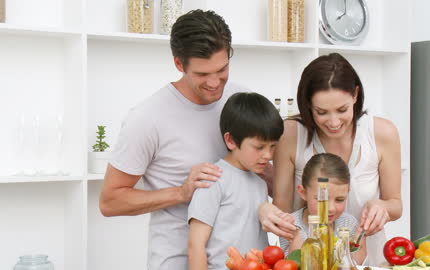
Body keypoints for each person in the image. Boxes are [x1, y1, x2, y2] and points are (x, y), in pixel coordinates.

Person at [98, 10, 298, 270]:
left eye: (222, 69)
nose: (215, 83)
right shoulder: (147, 118)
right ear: (179, 64)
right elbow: (110, 201)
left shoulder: (239, 98)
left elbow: (256, 173)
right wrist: (181, 192)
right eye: (203, 74)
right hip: (177, 261)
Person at [260, 53, 402, 265]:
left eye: (342, 110)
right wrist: (265, 209)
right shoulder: (290, 135)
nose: (334, 121)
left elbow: (396, 205)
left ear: (355, 95)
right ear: (308, 105)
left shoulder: (382, 133)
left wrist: (382, 207)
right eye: (322, 112)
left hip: (368, 261)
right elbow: (283, 210)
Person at [187, 92, 284, 270]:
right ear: (231, 140)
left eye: (273, 146)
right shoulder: (213, 179)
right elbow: (196, 245)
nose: (268, 155)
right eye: (259, 147)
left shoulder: (260, 183)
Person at [279, 153, 367, 265]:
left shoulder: (348, 223)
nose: (330, 208)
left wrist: (360, 239)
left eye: (339, 199)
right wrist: (295, 237)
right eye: (321, 199)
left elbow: (355, 264)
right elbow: (292, 265)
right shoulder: (291, 224)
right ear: (303, 192)